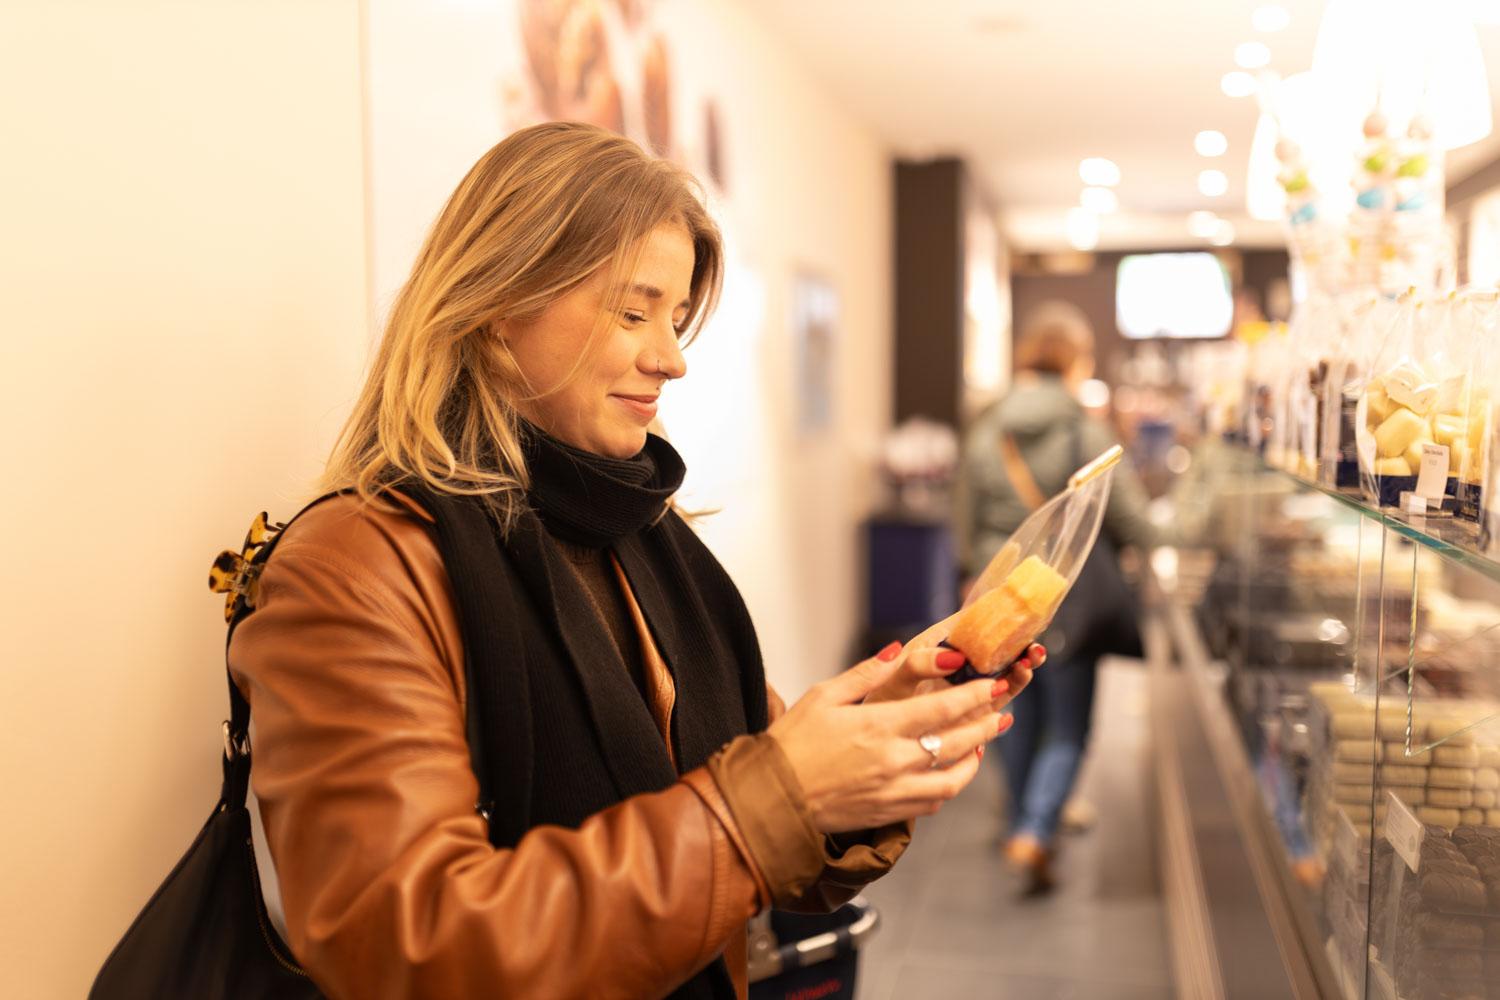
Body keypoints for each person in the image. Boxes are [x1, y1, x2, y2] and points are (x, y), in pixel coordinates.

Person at [228, 122, 1044, 1000]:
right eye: (632, 312)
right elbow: (408, 947)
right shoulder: (356, 568)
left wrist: (871, 739)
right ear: (498, 307)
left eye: (677, 318)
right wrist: (783, 792)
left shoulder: (639, 531)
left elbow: (755, 818)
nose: (673, 359)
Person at [958, 300, 1154, 892]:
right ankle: (1036, 830)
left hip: (998, 594)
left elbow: (964, 519)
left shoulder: (987, 427)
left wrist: (976, 575)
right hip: (1063, 594)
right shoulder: (1085, 431)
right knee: (1067, 724)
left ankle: (1019, 819)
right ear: (1075, 362)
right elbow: (1130, 520)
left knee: (1012, 711)